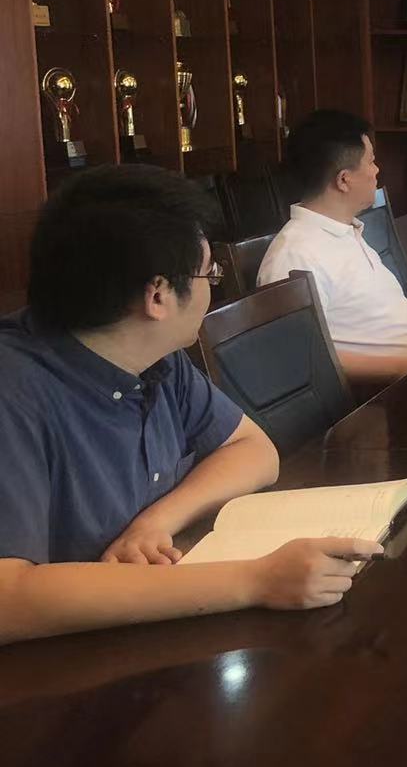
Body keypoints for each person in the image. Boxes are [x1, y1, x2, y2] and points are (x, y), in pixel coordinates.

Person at [0, 165, 381, 646]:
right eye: (209, 273)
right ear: (158, 296)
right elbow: (7, 599)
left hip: (144, 632)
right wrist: (256, 580)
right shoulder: (14, 391)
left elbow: (254, 450)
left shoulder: (152, 355)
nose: (212, 287)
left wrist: (155, 522)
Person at [260, 109, 407, 384]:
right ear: (344, 180)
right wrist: (402, 367)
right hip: (393, 392)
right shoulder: (295, 255)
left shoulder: (346, 231)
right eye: (371, 161)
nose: (377, 170)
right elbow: (297, 358)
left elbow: (381, 319)